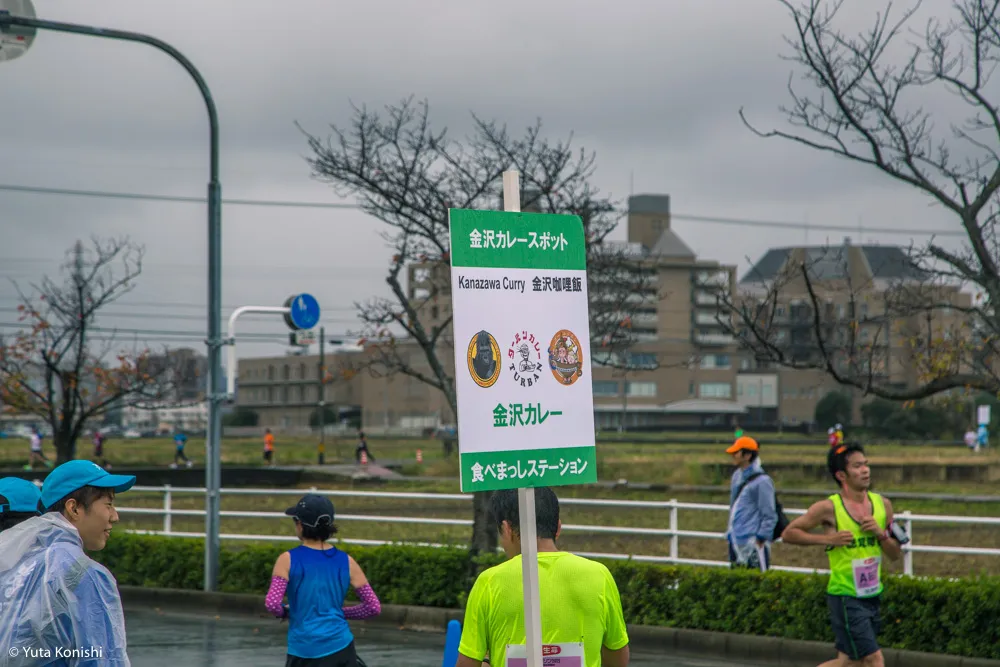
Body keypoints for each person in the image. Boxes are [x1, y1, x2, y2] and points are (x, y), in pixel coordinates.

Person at [457, 488, 630, 667]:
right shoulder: (599, 575)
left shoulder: (489, 582)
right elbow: (617, 657)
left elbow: (467, 664)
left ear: (507, 529)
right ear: (558, 528)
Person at [0, 459, 137, 666]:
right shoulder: (84, 573)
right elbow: (103, 659)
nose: (115, 516)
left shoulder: (19, 566)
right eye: (108, 504)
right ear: (74, 508)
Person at [780, 443, 905, 667]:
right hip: (845, 594)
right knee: (874, 658)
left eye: (866, 464)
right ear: (841, 475)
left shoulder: (882, 505)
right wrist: (828, 539)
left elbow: (895, 555)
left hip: (872, 593)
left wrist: (880, 534)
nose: (865, 470)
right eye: (857, 466)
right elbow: (789, 533)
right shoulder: (828, 507)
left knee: (850, 662)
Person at [265, 493, 381, 667]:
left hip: (304, 650)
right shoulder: (347, 561)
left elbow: (272, 604)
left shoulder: (287, 559)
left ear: (300, 525)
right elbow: (373, 607)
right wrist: (341, 612)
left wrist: (287, 612)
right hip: (342, 648)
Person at [725, 436, 778, 571]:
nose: (733, 455)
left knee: (757, 584)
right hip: (736, 540)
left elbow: (769, 514)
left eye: (736, 452)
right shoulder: (737, 476)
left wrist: (761, 538)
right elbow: (733, 507)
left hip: (754, 542)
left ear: (747, 455)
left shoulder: (763, 481)